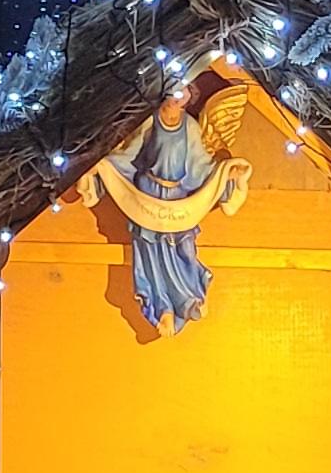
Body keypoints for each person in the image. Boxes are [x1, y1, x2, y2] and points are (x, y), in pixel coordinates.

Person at [89, 80, 247, 333]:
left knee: (184, 246)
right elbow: (130, 156)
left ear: (188, 97)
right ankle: (160, 307)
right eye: (172, 91)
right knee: (149, 251)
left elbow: (200, 165)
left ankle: (189, 298)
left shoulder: (190, 127)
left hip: (178, 197)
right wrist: (103, 166)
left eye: (181, 93)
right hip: (147, 195)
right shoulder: (149, 122)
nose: (176, 98)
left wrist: (226, 175)